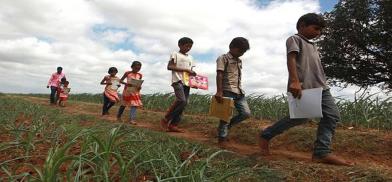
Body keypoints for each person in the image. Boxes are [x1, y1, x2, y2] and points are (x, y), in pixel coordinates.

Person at [259, 13, 353, 166]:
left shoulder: (313, 45)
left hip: (322, 87)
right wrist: (295, 81)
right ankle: (266, 134)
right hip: (303, 87)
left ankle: (321, 152)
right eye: (316, 28)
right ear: (302, 25)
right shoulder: (294, 39)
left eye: (320, 30)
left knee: (332, 115)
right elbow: (291, 59)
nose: (318, 33)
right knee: (300, 118)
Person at [215, 37, 251, 144]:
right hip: (227, 90)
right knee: (225, 116)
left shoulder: (239, 61)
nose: (242, 53)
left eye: (244, 52)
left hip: (239, 91)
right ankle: (222, 139)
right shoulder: (223, 58)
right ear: (232, 47)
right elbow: (219, 74)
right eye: (240, 51)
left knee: (246, 113)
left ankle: (225, 128)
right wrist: (219, 91)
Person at [160, 37, 197, 132]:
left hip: (187, 82)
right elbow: (169, 66)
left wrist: (193, 76)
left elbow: (190, 71)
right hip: (177, 80)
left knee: (184, 103)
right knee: (182, 100)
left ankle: (173, 125)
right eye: (187, 46)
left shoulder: (191, 58)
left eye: (190, 47)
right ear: (180, 45)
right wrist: (185, 70)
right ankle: (166, 118)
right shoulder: (175, 54)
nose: (188, 48)